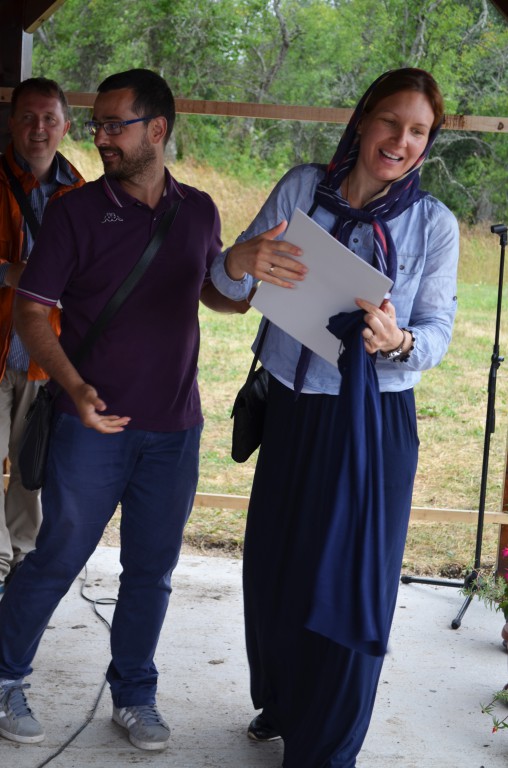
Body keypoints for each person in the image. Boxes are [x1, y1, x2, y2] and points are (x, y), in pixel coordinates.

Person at [211, 68, 459, 767]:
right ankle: (285, 702)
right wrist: (239, 258)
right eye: (391, 122)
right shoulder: (301, 190)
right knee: (276, 570)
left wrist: (399, 341)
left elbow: (437, 330)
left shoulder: (433, 224)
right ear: (363, 119)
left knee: (349, 582)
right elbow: (225, 284)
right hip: (291, 410)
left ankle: (326, 748)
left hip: (372, 423)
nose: (401, 141)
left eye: (418, 131)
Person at [0, 68, 244, 751]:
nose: (102, 137)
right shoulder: (76, 211)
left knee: (151, 572)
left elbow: (217, 294)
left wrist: (243, 266)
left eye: (115, 125)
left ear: (156, 130)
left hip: (174, 428)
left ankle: (134, 694)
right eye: (98, 125)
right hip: (91, 426)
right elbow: (31, 313)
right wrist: (74, 388)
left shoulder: (198, 210)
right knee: (56, 555)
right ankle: (5, 674)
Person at [0, 78, 84, 599]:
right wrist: (9, 272)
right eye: (28, 117)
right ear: (11, 123)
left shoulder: (84, 195)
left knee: (31, 467)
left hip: (43, 354)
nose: (38, 128)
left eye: (49, 119)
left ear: (65, 127)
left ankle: (22, 566)